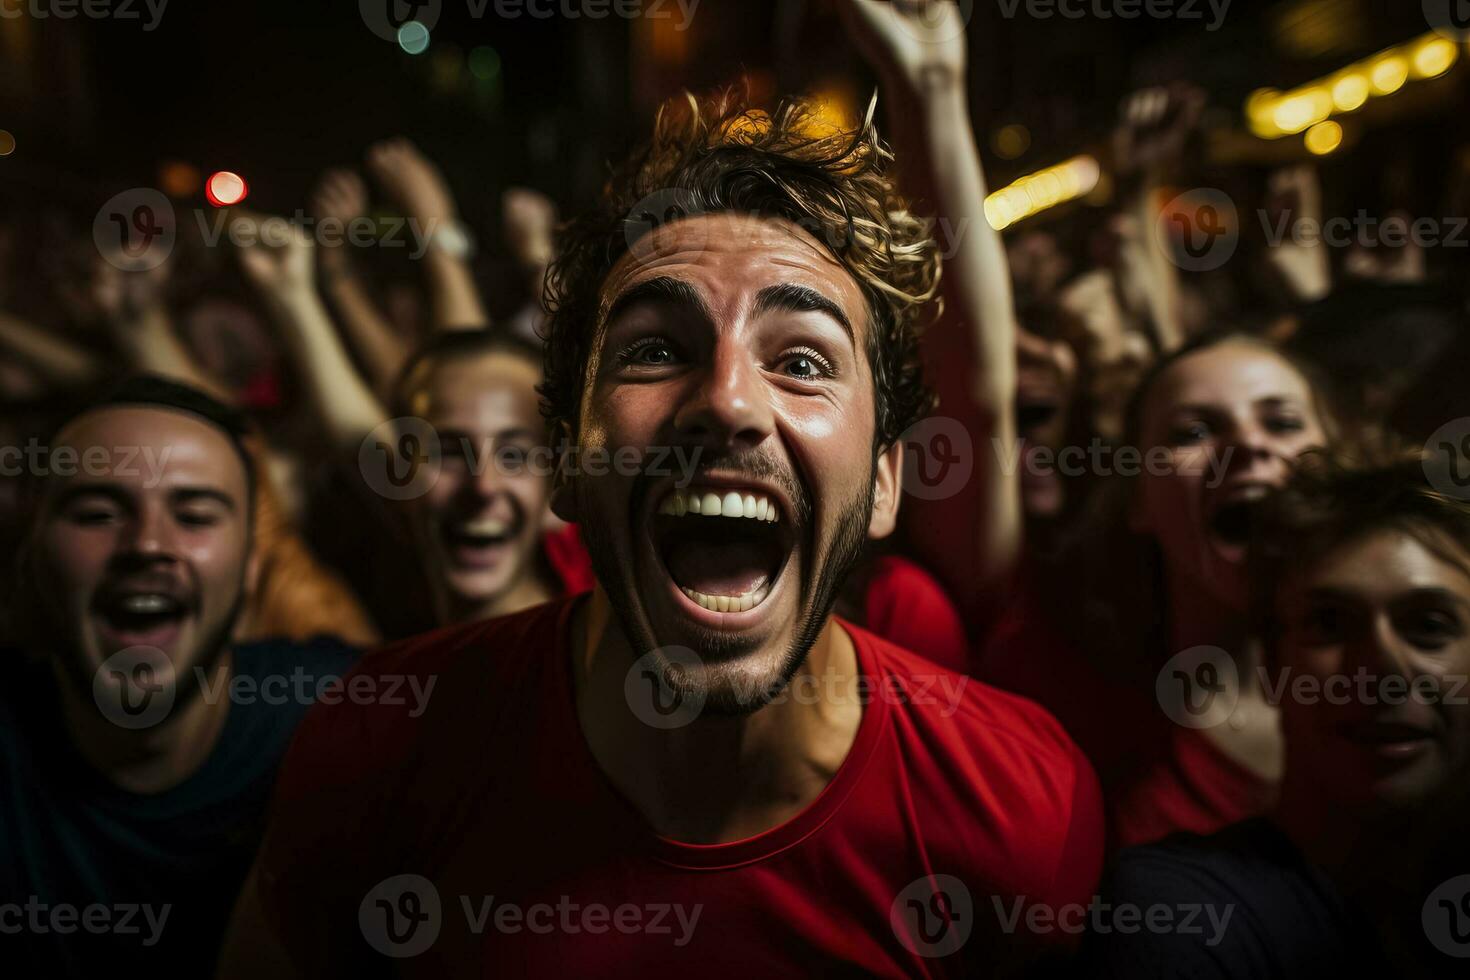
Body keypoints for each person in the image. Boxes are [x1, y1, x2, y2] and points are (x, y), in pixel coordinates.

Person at [218, 80, 1104, 978]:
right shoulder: (377, 750)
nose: (726, 402)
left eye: (801, 359)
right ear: (564, 458)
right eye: (653, 350)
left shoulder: (1019, 812)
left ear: (882, 481)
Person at [0, 376, 360, 975]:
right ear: (33, 558)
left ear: (249, 569)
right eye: (97, 513)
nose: (146, 544)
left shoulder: (350, 721)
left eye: (193, 515)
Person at [1084, 449, 1470, 977]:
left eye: (1428, 625)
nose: (1383, 669)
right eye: (1330, 623)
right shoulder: (1182, 914)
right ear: (1271, 665)